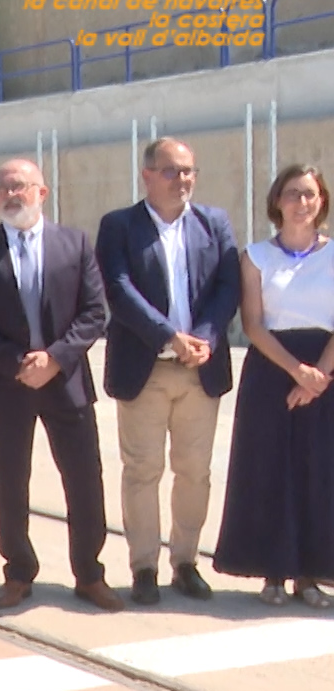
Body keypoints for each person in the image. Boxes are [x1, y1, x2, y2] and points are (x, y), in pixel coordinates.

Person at [0, 159, 120, 611]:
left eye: (21, 186)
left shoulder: (75, 243)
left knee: (84, 479)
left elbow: (94, 313)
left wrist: (56, 358)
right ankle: (18, 571)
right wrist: (15, 362)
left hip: (64, 381)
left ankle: (89, 572)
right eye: (4, 188)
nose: (13, 195)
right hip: (5, 383)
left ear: (41, 193)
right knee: (10, 481)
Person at [97, 138, 241, 606]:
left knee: (195, 471)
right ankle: (143, 566)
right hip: (146, 367)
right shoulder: (119, 225)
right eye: (171, 171)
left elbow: (227, 285)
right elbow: (117, 289)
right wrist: (168, 335)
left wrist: (203, 336)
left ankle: (185, 561)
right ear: (147, 176)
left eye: (189, 171)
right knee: (143, 470)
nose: (182, 180)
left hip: (200, 369)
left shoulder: (213, 223)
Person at [213, 165, 334, 608]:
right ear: (276, 202)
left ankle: (311, 574)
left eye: (310, 194)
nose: (302, 203)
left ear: (322, 201)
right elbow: (253, 325)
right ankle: (272, 572)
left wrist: (318, 373)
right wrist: (296, 372)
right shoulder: (256, 256)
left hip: (326, 372)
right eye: (292, 194)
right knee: (269, 470)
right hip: (271, 370)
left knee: (318, 472)